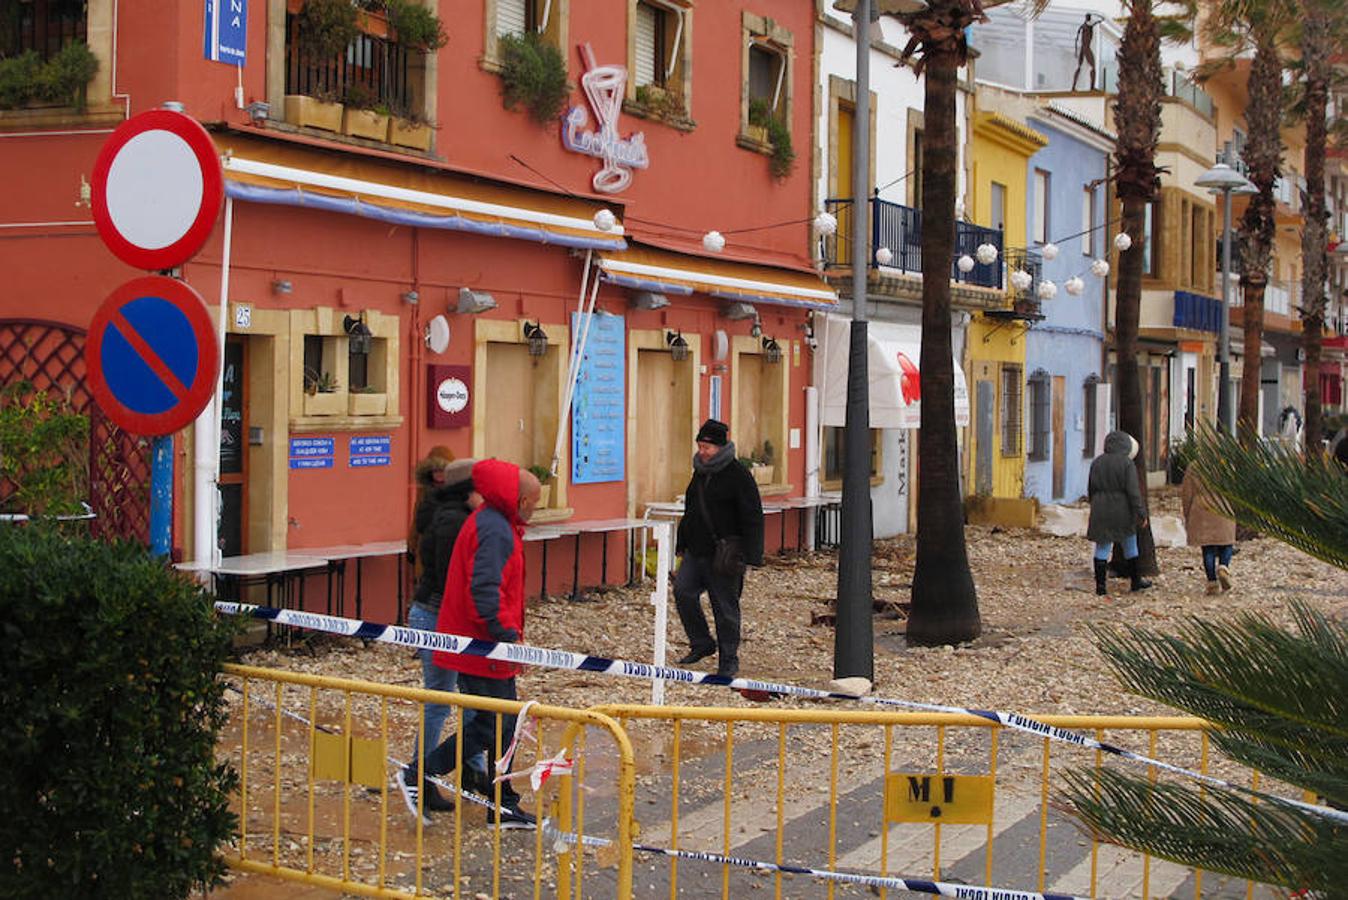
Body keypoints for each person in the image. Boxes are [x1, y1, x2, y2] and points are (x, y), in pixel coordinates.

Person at [423, 459, 541, 829]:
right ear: (520, 500)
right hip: (483, 646)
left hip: (483, 643)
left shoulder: (494, 522)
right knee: (495, 726)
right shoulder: (495, 529)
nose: (535, 509)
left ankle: (502, 805)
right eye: (534, 502)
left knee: (503, 725)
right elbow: (485, 590)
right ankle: (422, 772)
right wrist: (506, 633)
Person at [397, 458, 484, 822]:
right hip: (436, 618)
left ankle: (472, 769)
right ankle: (421, 776)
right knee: (439, 702)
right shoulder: (452, 522)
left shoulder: (449, 514)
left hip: (440, 615)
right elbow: (455, 579)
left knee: (469, 699)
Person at [673, 419, 764, 678]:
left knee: (725, 608)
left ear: (721, 448)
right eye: (700, 446)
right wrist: (682, 544)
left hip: (726, 553)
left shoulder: (738, 475)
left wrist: (752, 555)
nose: (702, 451)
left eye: (707, 447)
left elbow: (753, 515)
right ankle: (701, 642)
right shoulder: (699, 473)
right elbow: (690, 511)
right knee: (683, 592)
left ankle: (728, 659)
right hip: (696, 550)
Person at [1087, 430, 1151, 595]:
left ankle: (1100, 586)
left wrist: (1095, 504)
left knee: (1102, 546)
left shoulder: (1097, 462)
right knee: (1130, 544)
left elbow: (1091, 489)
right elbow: (1133, 492)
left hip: (1100, 508)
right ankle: (1135, 582)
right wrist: (1141, 513)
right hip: (1122, 509)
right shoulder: (1127, 463)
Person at [1180, 465, 1236, 595]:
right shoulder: (1225, 465)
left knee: (1207, 548)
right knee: (1227, 543)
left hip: (1201, 508)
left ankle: (1212, 582)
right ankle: (1224, 566)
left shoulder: (1194, 467)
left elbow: (1187, 493)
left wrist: (1187, 513)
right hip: (1223, 507)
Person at [408, 445, 455, 583]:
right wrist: (412, 543)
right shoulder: (424, 492)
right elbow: (417, 520)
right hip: (426, 552)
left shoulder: (456, 492)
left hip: (447, 552)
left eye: (442, 470)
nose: (439, 475)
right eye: (435, 471)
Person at [1072, 13, 1099, 92]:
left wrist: (1076, 50)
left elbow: (1076, 39)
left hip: (1083, 47)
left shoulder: (1082, 26)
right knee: (1092, 66)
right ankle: (1091, 87)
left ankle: (1074, 86)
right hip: (1086, 48)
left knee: (1080, 66)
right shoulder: (1088, 26)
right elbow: (1097, 22)